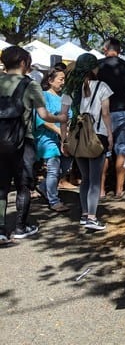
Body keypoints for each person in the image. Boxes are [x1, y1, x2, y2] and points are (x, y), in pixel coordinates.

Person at [0, 46, 68, 242]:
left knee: (2, 186)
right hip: (24, 141)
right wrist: (60, 118)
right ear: (23, 63)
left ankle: (1, 230)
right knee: (23, 185)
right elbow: (43, 115)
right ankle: (20, 227)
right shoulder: (30, 85)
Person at [60, 53, 113, 231]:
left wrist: (64, 139)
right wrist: (110, 135)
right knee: (95, 180)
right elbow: (105, 114)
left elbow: (63, 117)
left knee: (85, 178)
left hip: (77, 137)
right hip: (97, 137)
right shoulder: (102, 86)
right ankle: (92, 217)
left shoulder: (70, 88)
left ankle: (84, 214)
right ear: (93, 68)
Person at [97, 37, 125, 199]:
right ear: (119, 50)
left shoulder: (98, 66)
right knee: (122, 149)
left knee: (103, 150)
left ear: (105, 49)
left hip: (102, 112)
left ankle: (101, 190)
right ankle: (119, 189)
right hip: (124, 111)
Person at [34, 68, 73, 212]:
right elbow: (43, 119)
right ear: (50, 80)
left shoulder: (66, 97)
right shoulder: (43, 96)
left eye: (64, 79)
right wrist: (60, 132)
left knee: (66, 166)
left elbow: (69, 117)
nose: (63, 82)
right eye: (60, 79)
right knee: (53, 168)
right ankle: (54, 200)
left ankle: (43, 187)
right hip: (47, 136)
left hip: (64, 136)